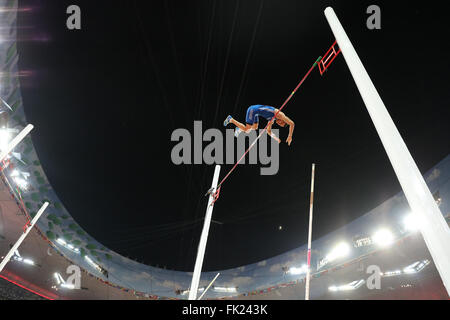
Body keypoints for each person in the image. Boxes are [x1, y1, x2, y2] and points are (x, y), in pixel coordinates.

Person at [224, 104, 295, 145]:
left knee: (255, 127)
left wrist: (276, 138)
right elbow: (292, 123)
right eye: (282, 122)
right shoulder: (280, 114)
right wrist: (290, 136)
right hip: (253, 110)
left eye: (280, 125)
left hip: (256, 113)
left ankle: (239, 129)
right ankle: (231, 119)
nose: (279, 123)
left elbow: (268, 131)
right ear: (284, 120)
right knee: (247, 129)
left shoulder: (272, 119)